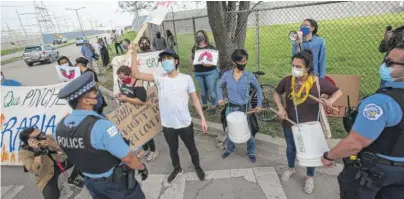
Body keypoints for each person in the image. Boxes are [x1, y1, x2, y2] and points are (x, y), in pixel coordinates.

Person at [323, 44, 404, 199]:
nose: (384, 65)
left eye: (389, 63)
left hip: (374, 171)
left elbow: (354, 143)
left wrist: (329, 156)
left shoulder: (381, 103)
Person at [55, 72, 149, 198]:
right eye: (94, 91)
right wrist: (141, 167)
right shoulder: (101, 126)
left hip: (91, 182)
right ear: (86, 100)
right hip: (115, 183)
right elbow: (128, 158)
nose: (97, 94)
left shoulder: (60, 126)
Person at [131, 46, 208, 183]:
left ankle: (197, 166)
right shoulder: (160, 79)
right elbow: (136, 74)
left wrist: (203, 119)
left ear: (176, 61)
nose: (166, 61)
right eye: (163, 59)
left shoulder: (186, 79)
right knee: (173, 149)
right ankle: (177, 168)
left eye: (169, 58)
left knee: (192, 148)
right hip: (168, 125)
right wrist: (133, 53)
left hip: (184, 123)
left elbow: (195, 99)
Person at [273, 49, 342, 194]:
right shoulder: (287, 81)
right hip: (290, 123)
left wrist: (330, 101)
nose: (294, 69)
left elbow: (338, 91)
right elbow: (276, 93)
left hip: (310, 127)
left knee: (312, 152)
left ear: (308, 68)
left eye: (298, 66)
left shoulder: (317, 83)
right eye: (293, 65)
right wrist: (280, 108)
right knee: (291, 147)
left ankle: (310, 177)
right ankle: (291, 168)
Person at [217, 49, 263, 163]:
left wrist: (259, 104)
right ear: (234, 62)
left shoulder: (249, 76)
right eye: (242, 61)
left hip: (246, 108)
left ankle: (251, 151)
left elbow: (258, 89)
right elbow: (218, 86)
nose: (245, 63)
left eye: (246, 60)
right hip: (231, 108)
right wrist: (220, 98)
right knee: (230, 130)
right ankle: (230, 149)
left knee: (250, 131)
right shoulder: (227, 76)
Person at [18, 127, 84, 199]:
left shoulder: (48, 138)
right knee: (52, 196)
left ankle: (73, 178)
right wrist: (38, 151)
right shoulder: (24, 153)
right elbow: (35, 170)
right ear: (30, 141)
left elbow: (68, 148)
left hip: (59, 163)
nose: (43, 137)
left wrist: (53, 145)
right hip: (47, 173)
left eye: (42, 133)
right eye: (39, 136)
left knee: (79, 155)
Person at [116, 65, 160, 162]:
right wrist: (120, 96)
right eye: (120, 78)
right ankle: (145, 149)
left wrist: (126, 98)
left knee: (145, 133)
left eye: (123, 78)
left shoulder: (137, 84)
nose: (122, 80)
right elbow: (125, 93)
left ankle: (153, 150)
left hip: (140, 113)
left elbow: (142, 100)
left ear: (129, 75)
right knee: (137, 132)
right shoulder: (124, 83)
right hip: (131, 114)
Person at [191, 30, 220, 115]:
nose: (199, 36)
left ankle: (214, 106)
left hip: (210, 72)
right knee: (202, 91)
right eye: (197, 35)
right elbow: (192, 57)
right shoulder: (195, 48)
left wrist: (210, 65)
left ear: (204, 36)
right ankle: (205, 105)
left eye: (200, 35)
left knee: (212, 91)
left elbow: (216, 60)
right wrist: (192, 66)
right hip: (198, 73)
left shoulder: (210, 47)